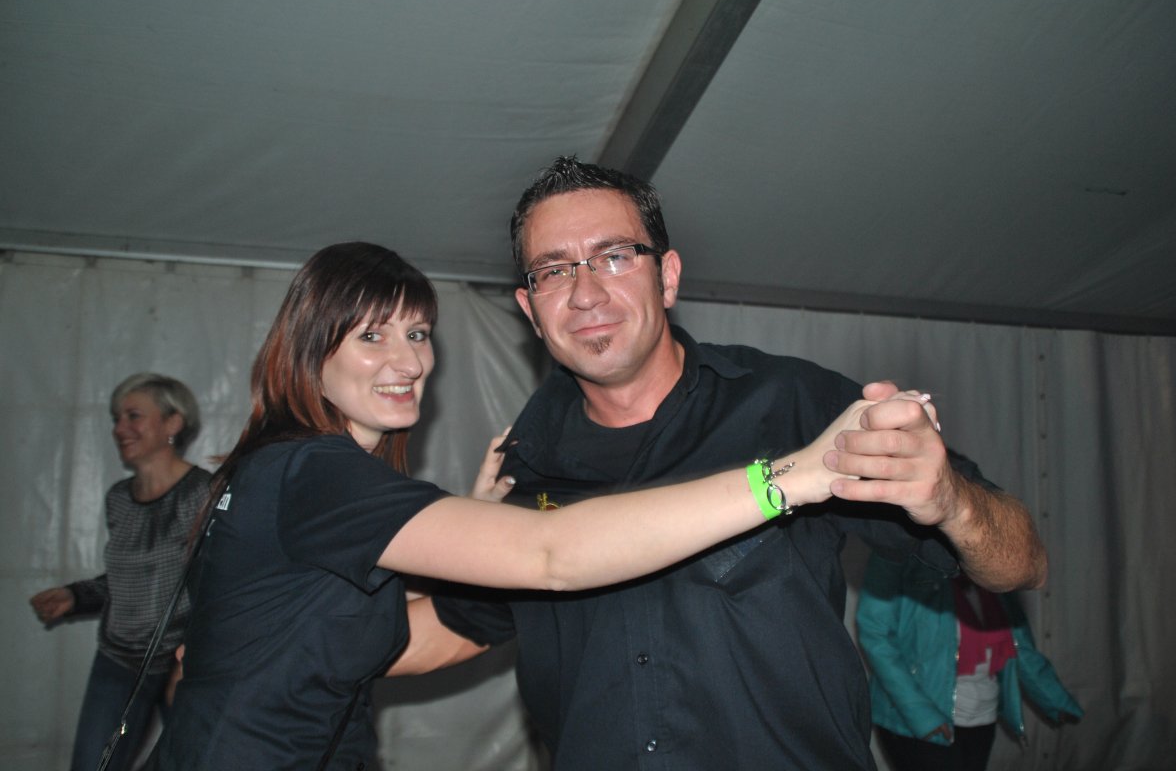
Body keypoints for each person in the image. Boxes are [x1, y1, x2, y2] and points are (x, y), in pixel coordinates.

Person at [144, 240, 916, 770]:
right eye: (371, 337)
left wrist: (477, 534)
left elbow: (366, 633)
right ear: (311, 351)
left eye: (418, 332)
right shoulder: (314, 470)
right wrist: (795, 475)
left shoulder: (300, 473)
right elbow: (551, 555)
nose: (407, 360)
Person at [399, 156, 1049, 770]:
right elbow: (455, 627)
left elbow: (1021, 562)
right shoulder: (522, 467)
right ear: (530, 309)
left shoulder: (792, 406)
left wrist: (952, 502)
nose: (585, 293)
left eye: (615, 257)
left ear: (667, 276)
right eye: (553, 271)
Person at [29, 373, 210, 771]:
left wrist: (192, 657)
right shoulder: (118, 499)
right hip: (118, 660)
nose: (119, 429)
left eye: (133, 416)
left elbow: (217, 585)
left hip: (182, 664)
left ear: (173, 423)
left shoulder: (203, 493)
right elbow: (131, 579)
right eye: (116, 418)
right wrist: (74, 596)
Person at [856, 551, 1082, 771]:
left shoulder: (991, 562)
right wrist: (921, 715)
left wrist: (1053, 699)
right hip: (914, 722)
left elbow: (1018, 643)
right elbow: (875, 634)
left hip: (982, 714)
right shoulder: (898, 551)